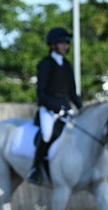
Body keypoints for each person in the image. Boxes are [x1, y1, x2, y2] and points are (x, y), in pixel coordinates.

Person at [28, 26, 83, 184]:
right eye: (61, 43)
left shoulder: (67, 65)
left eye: (66, 42)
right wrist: (55, 107)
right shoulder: (45, 64)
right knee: (47, 134)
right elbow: (41, 92)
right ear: (53, 45)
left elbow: (72, 92)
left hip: (66, 108)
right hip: (48, 109)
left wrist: (81, 108)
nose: (65, 46)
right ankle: (35, 169)